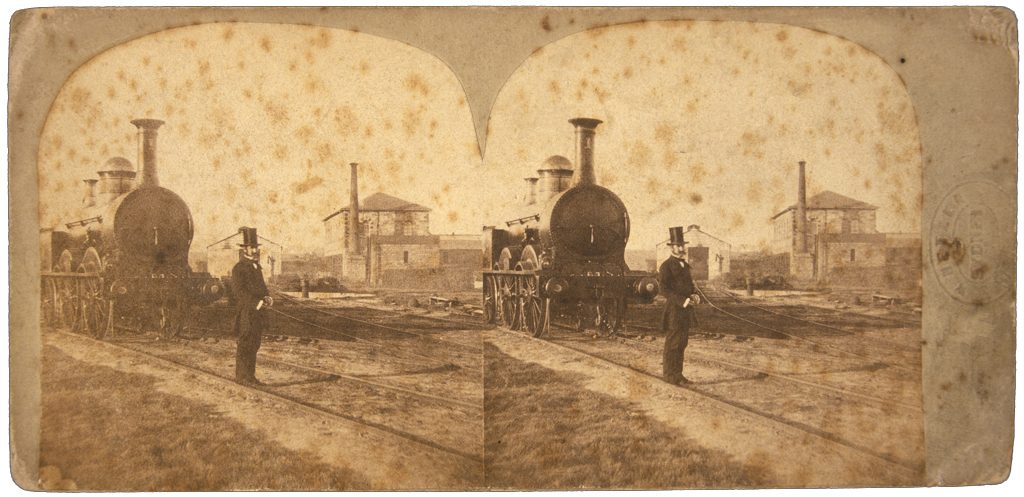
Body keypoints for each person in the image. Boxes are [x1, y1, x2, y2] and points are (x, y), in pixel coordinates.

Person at [231, 227, 273, 386]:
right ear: (245, 249)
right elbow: (239, 292)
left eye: (256, 248)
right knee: (245, 344)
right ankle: (241, 377)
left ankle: (250, 376)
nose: (255, 250)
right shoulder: (239, 268)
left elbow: (262, 288)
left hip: (258, 314)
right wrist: (257, 303)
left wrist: (267, 297)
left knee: (255, 344)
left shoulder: (257, 268)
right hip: (246, 314)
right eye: (252, 247)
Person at [659, 226, 701, 385]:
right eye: (679, 245)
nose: (682, 248)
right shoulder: (666, 266)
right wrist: (683, 301)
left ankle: (678, 375)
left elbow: (689, 286)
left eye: (683, 245)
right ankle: (669, 375)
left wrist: (694, 295)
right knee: (673, 343)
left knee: (682, 343)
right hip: (674, 311)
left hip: (686, 311)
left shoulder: (685, 266)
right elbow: (664, 289)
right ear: (672, 247)